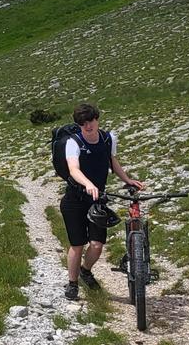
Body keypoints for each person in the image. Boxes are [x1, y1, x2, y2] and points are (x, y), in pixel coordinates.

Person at [61, 102, 143, 300]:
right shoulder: (73, 142)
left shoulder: (107, 138)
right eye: (83, 124)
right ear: (79, 125)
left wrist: (127, 179)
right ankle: (72, 284)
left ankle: (85, 270)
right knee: (77, 244)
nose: (88, 126)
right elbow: (74, 169)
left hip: (98, 200)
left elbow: (112, 161)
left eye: (91, 121)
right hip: (75, 199)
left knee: (97, 245)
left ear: (97, 119)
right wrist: (88, 184)